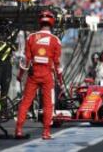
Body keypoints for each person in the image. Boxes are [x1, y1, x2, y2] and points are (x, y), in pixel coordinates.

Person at [15, 10, 63, 140]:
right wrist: (61, 80)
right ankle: (46, 132)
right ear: (52, 22)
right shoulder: (55, 40)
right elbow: (58, 64)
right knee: (48, 104)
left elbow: (25, 60)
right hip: (47, 75)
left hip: (33, 74)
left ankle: (18, 130)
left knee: (25, 102)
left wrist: (20, 75)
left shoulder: (31, 37)